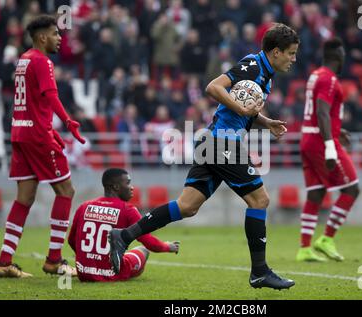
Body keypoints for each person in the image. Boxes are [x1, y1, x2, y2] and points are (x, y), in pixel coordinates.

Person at [108, 23, 299, 290]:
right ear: (276, 52)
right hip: (222, 143)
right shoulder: (253, 66)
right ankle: (259, 272)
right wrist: (243, 111)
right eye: (291, 53)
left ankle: (123, 235)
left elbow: (241, 110)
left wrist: (264, 122)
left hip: (213, 141)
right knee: (260, 200)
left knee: (187, 206)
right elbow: (214, 87)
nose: (293, 59)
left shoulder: (265, 74)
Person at [0, 16, 86, 278]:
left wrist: (51, 129)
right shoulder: (42, 61)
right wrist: (67, 121)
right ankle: (54, 261)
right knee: (66, 190)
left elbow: (34, 102)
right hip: (35, 134)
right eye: (56, 34)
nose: (60, 38)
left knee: (24, 197)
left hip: (20, 132)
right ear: (42, 37)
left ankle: (3, 261)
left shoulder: (24, 59)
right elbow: (50, 95)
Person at [296, 38, 360, 263]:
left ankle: (304, 248)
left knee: (316, 192)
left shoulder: (315, 75)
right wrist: (331, 146)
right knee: (352, 189)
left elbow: (323, 113)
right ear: (338, 56)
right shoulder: (330, 79)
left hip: (307, 137)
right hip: (320, 141)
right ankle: (326, 239)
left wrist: (337, 129)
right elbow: (322, 112)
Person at [68, 168, 180, 282]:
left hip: (84, 272)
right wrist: (168, 246)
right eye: (128, 183)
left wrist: (89, 261)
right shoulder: (128, 209)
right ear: (116, 187)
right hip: (113, 272)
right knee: (143, 250)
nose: (132, 187)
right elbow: (149, 242)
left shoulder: (84, 206)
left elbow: (71, 240)